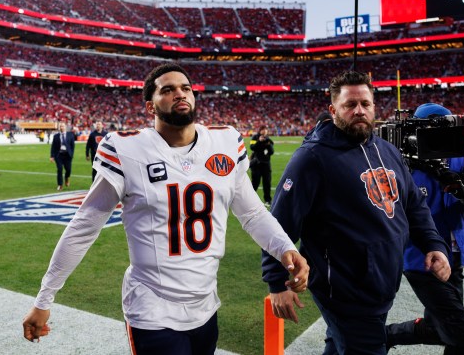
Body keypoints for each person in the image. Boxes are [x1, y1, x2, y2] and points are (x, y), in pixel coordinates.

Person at [23, 63, 310, 354]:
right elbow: (84, 226)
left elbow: (252, 214)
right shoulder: (126, 149)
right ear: (151, 106)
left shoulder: (224, 142)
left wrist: (286, 248)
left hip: (206, 306)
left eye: (186, 88)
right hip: (152, 310)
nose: (180, 94)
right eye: (168, 90)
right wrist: (44, 299)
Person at [261, 71, 452, 354]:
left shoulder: (387, 151)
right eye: (350, 105)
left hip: (381, 284)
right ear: (333, 110)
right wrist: (277, 282)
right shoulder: (312, 159)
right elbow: (279, 223)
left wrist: (433, 244)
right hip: (343, 290)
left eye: (365, 103)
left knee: (339, 347)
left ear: (374, 106)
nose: (359, 110)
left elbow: (413, 205)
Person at [386, 103, 464, 354]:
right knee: (463, 336)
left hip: (456, 251)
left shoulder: (459, 155)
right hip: (422, 257)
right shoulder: (401, 162)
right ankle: (383, 335)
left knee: (442, 328)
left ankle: (384, 336)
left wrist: (459, 189)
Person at [249, 126, 275, 205]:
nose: (264, 131)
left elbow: (271, 152)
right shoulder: (254, 137)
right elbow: (252, 147)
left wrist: (267, 144)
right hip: (256, 164)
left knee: (267, 183)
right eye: (263, 130)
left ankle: (267, 200)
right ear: (260, 130)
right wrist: (259, 141)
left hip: (266, 164)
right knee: (255, 183)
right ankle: (250, 200)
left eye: (265, 130)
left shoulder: (269, 140)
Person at [50, 121, 75, 191]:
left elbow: (72, 146)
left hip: (67, 155)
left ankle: (67, 178)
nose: (61, 127)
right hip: (59, 155)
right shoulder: (56, 136)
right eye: (60, 126)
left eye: (63, 126)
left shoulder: (70, 135)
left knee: (68, 170)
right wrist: (52, 156)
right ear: (59, 127)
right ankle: (60, 184)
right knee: (60, 169)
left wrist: (71, 154)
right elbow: (53, 147)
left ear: (65, 127)